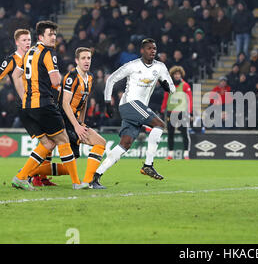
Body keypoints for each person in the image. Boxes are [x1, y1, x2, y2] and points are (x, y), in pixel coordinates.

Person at [10, 21, 87, 190]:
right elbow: (55, 80)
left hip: (27, 107)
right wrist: (58, 83)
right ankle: (76, 183)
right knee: (64, 140)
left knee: (48, 144)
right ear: (40, 37)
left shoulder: (29, 51)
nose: (53, 37)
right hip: (43, 104)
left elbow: (16, 75)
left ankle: (21, 177)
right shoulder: (47, 53)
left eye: (54, 34)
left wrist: (25, 95)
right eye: (50, 34)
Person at [91, 38, 176, 189]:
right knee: (160, 125)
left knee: (124, 144)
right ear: (142, 51)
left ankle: (96, 177)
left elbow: (172, 88)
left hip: (138, 109)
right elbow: (111, 79)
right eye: (149, 48)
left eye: (154, 48)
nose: (152, 51)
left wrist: (166, 85)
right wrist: (107, 103)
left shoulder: (160, 67)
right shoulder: (133, 65)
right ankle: (148, 164)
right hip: (129, 104)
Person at [28, 48, 107, 187]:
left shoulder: (89, 78)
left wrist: (81, 122)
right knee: (100, 142)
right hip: (64, 120)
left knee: (67, 168)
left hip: (75, 121)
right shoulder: (72, 77)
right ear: (77, 60)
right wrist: (76, 126)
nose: (86, 61)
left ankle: (31, 172)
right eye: (83, 58)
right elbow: (65, 103)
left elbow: (84, 100)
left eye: (88, 58)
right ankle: (88, 181)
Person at [160, 66, 192, 160]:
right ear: (172, 75)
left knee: (184, 133)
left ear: (181, 75)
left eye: (179, 74)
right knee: (170, 133)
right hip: (171, 112)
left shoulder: (185, 85)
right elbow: (166, 98)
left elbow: (189, 99)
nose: (177, 76)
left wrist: (189, 112)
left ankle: (186, 154)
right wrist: (163, 109)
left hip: (182, 112)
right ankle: (170, 154)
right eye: (175, 74)